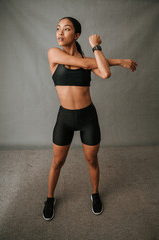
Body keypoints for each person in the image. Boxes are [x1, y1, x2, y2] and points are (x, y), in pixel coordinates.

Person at [43, 16, 138, 221]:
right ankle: (50, 198)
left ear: (76, 35)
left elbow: (104, 73)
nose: (59, 32)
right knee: (57, 162)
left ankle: (95, 194)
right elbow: (87, 64)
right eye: (58, 28)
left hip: (88, 117)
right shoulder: (53, 54)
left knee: (92, 160)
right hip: (65, 118)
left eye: (66, 29)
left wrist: (96, 48)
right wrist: (119, 61)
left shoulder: (89, 60)